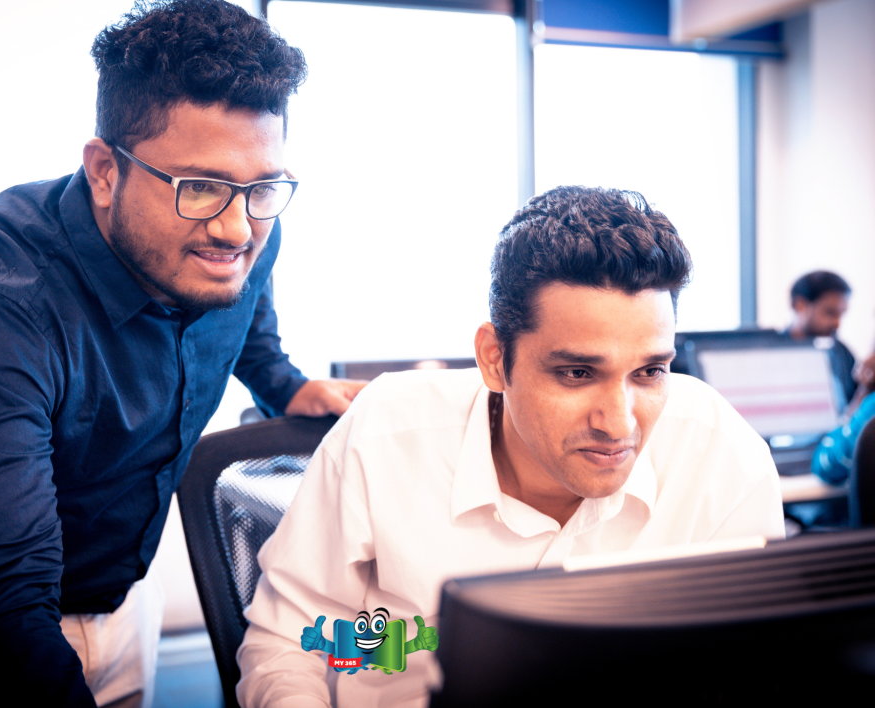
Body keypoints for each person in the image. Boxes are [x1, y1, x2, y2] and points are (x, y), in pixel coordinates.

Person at [0, 0, 364, 708]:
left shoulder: (245, 230)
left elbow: (247, 314)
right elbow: (0, 605)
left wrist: (284, 383)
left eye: (261, 187)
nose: (236, 228)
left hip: (119, 594)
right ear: (102, 170)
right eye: (201, 187)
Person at [235, 186, 785, 708]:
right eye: (576, 372)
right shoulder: (386, 433)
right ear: (496, 359)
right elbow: (289, 642)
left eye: (649, 372)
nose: (619, 423)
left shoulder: (720, 455)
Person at [785, 270, 856, 405]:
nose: (837, 323)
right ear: (799, 305)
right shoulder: (770, 353)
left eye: (841, 314)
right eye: (830, 313)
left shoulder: (842, 352)